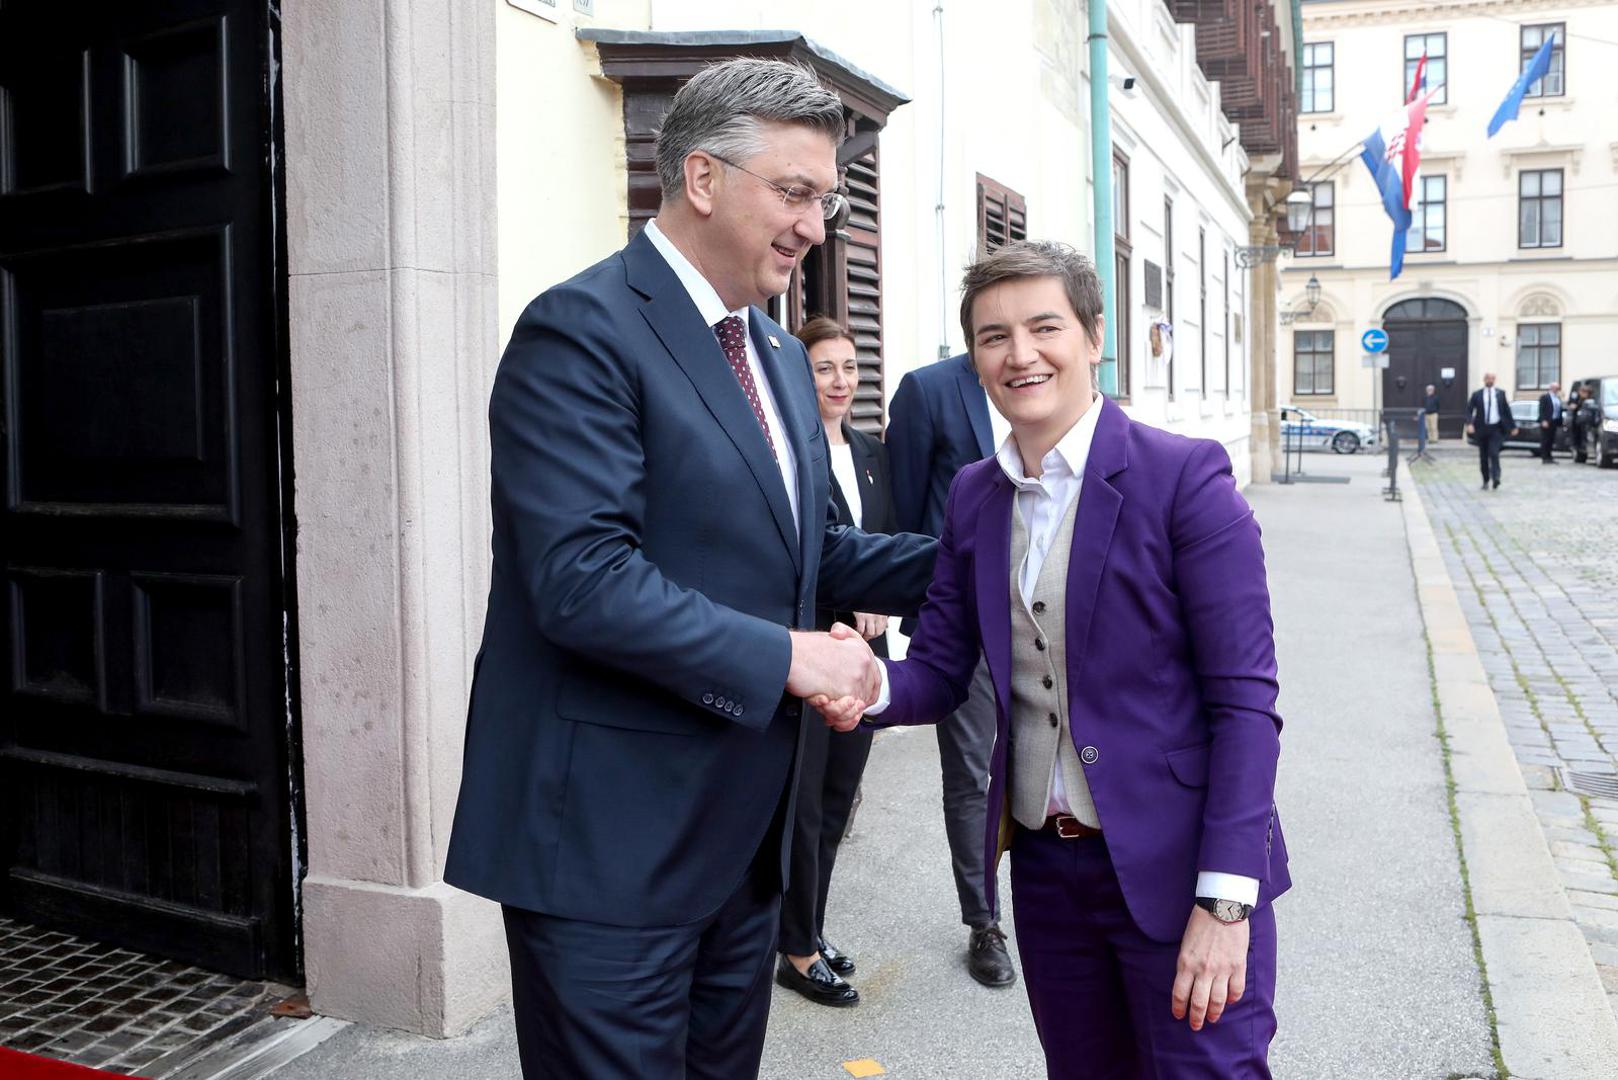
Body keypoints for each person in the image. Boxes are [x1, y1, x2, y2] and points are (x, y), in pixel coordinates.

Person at [443, 59, 936, 1079]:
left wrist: (991, 556)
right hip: (604, 853)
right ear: (702, 179)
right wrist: (790, 659)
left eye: (827, 197)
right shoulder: (579, 331)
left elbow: (807, 554)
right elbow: (580, 579)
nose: (816, 223)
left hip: (740, 846)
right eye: (795, 193)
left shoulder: (773, 351)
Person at [818, 240, 1289, 1077]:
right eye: (994, 336)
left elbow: (1245, 707)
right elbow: (939, 667)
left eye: (1044, 327)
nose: (1020, 354)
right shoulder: (975, 494)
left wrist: (1226, 902)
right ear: (975, 360)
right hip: (1047, 868)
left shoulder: (1184, 479)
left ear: (1093, 335)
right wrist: (866, 679)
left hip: (1178, 870)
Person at [886, 350, 1018, 988]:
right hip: (967, 620)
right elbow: (906, 513)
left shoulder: (1053, 385)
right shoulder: (929, 390)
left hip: (1057, 618)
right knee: (970, 774)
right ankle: (983, 920)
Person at [775, 317, 896, 1008]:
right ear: (802, 375)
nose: (842, 380)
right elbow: (801, 556)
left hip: (866, 656)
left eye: (850, 367)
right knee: (806, 807)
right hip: (813, 650)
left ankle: (811, 929)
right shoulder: (790, 455)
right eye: (826, 368)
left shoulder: (873, 452)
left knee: (837, 802)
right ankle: (795, 949)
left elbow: (883, 542)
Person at [1466, 372, 1517, 490]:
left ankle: (1496, 477)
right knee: (1483, 456)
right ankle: (1485, 480)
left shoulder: (1500, 394)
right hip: (1482, 428)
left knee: (1494, 453)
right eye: (1488, 378)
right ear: (1484, 380)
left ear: (1495, 380)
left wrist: (1513, 426)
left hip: (1496, 429)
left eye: (1492, 378)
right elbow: (1469, 410)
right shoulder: (1477, 394)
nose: (1490, 380)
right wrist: (1469, 423)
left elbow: (1506, 411)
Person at [1537, 381, 1564, 463]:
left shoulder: (1557, 398)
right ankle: (1545, 457)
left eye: (1558, 388)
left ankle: (1549, 456)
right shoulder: (1545, 397)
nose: (1557, 390)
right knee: (1545, 439)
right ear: (1551, 388)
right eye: (1556, 388)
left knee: (1551, 439)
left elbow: (1559, 409)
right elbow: (1541, 409)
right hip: (1546, 421)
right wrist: (1543, 420)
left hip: (1554, 421)